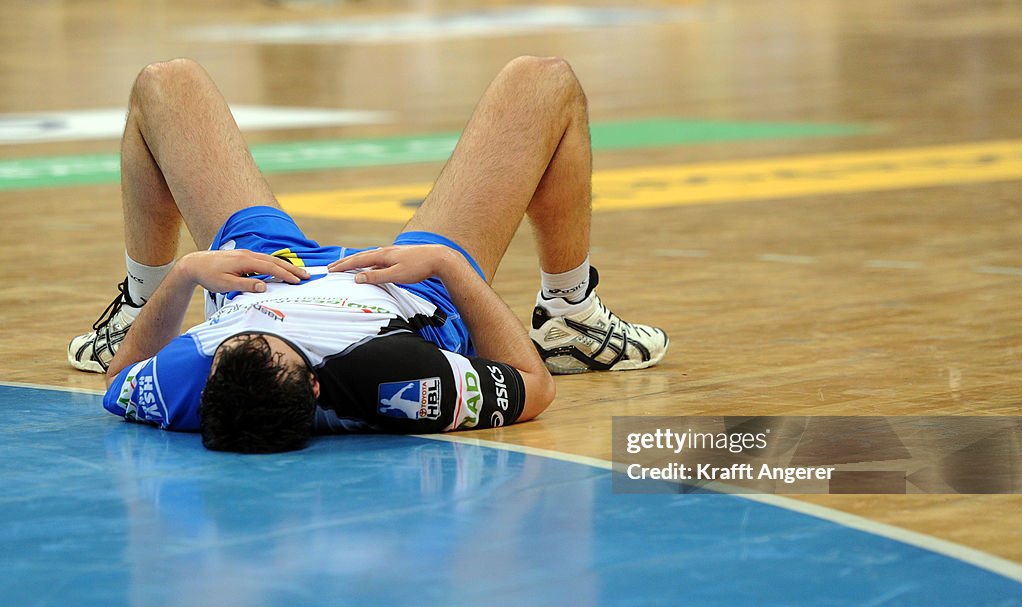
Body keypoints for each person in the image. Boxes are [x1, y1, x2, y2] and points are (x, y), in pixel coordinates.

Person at [68, 56, 669, 453]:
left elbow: (121, 376)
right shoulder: (401, 380)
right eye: (274, 342)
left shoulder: (190, 383)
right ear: (315, 389)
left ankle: (135, 301)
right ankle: (569, 316)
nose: (247, 340)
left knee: (162, 84)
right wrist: (447, 266)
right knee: (544, 81)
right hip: (413, 289)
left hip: (258, 269)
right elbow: (535, 388)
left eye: (228, 347)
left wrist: (184, 276)